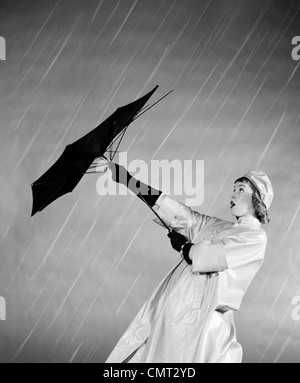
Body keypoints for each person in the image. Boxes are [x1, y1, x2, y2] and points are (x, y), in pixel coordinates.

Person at [105, 163, 274, 363]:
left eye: (241, 189)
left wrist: (185, 247)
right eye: (233, 189)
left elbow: (212, 256)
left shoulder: (254, 237)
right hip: (173, 316)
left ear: (258, 199)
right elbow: (181, 214)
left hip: (204, 327)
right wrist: (128, 180)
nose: (233, 195)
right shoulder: (218, 227)